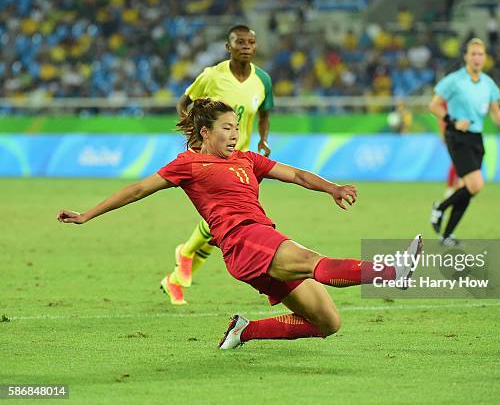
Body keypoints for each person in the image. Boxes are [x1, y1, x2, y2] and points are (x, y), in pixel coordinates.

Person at [57, 99, 423, 349]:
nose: (234, 135)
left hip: (255, 247)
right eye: (227, 128)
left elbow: (293, 173)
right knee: (313, 261)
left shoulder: (247, 159)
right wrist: (88, 214)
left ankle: (245, 330)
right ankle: (392, 271)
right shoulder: (187, 164)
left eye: (237, 127)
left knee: (328, 324)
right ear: (205, 133)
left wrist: (331, 187)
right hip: (245, 239)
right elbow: (138, 189)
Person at [170, 24, 274, 305]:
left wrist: (263, 140)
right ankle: (184, 262)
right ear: (228, 46)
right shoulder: (212, 76)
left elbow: (264, 113)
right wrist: (193, 135)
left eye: (251, 42)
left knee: (224, 226)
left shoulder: (262, 80)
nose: (246, 46)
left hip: (243, 160)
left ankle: (180, 269)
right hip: (213, 160)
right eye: (240, 42)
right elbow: (183, 102)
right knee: (226, 222)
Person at [429, 38, 500, 246]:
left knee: (469, 189)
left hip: (476, 137)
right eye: (473, 54)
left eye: (480, 54)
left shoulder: (488, 83)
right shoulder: (454, 80)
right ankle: (440, 207)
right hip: (457, 136)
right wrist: (452, 121)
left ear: (485, 58)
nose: (476, 58)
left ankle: (447, 235)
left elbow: (495, 110)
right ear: (465, 56)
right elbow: (434, 106)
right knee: (476, 184)